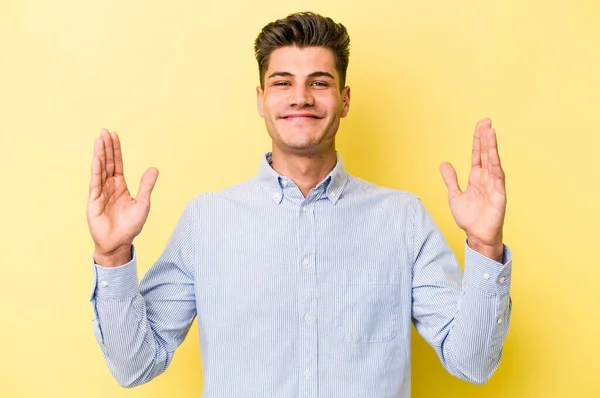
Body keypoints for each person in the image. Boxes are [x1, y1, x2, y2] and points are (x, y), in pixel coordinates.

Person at [87, 11, 512, 397]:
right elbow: (136, 366)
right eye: (283, 82)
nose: (301, 97)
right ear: (260, 99)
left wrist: (484, 245)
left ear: (344, 100)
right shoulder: (206, 221)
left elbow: (471, 363)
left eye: (319, 83)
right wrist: (112, 255)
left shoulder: (403, 219)